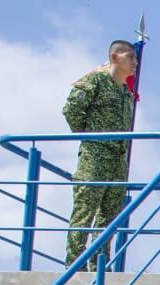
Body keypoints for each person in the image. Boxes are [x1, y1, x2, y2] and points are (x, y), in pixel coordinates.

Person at [62, 40, 137, 266]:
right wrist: (89, 137)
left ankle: (99, 263)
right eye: (130, 56)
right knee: (85, 209)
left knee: (110, 214)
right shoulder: (96, 80)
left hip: (118, 158)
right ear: (115, 57)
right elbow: (72, 110)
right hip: (95, 155)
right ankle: (75, 263)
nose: (135, 62)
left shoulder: (125, 92)